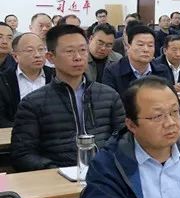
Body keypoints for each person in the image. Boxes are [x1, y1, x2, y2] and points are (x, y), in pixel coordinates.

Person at [10, 24, 124, 172]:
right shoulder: (32, 103)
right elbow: (22, 154)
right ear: (51, 57)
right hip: (57, 177)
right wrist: (54, 170)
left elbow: (124, 140)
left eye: (82, 50)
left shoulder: (109, 95)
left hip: (105, 174)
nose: (78, 57)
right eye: (69, 51)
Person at [0, 32, 55, 126]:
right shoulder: (3, 80)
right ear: (15, 56)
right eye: (30, 50)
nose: (37, 55)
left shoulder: (57, 76)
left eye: (41, 49)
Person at [103, 24, 172, 96]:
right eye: (140, 45)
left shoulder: (162, 71)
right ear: (127, 46)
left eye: (150, 45)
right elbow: (109, 101)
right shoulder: (112, 72)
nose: (146, 50)